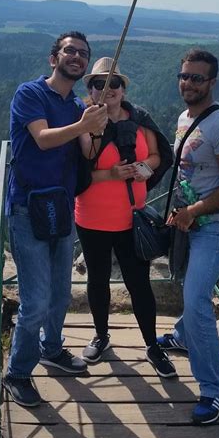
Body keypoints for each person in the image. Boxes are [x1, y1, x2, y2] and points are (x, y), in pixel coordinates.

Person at [3, 32, 108, 408]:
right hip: (27, 207)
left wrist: (96, 126)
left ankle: (52, 348)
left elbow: (86, 151)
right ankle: (17, 372)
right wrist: (83, 125)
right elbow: (43, 138)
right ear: (54, 59)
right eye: (70, 51)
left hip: (60, 207)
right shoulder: (29, 94)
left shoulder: (79, 104)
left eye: (83, 53)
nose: (77, 57)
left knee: (60, 292)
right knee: (35, 301)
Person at [157, 48, 219, 424]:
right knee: (189, 290)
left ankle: (213, 390)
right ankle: (182, 335)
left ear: (212, 82)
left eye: (197, 78)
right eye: (184, 76)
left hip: (214, 226)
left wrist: (193, 211)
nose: (188, 83)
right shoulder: (184, 117)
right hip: (188, 223)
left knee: (196, 300)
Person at [75, 57, 176, 378]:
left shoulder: (140, 121)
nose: (107, 90)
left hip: (130, 218)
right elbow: (80, 172)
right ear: (89, 90)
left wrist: (142, 172)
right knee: (98, 280)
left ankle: (151, 345)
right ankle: (101, 335)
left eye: (114, 83)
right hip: (91, 217)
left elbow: (159, 156)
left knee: (139, 285)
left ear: (123, 88)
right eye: (98, 84)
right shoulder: (85, 121)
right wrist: (114, 173)